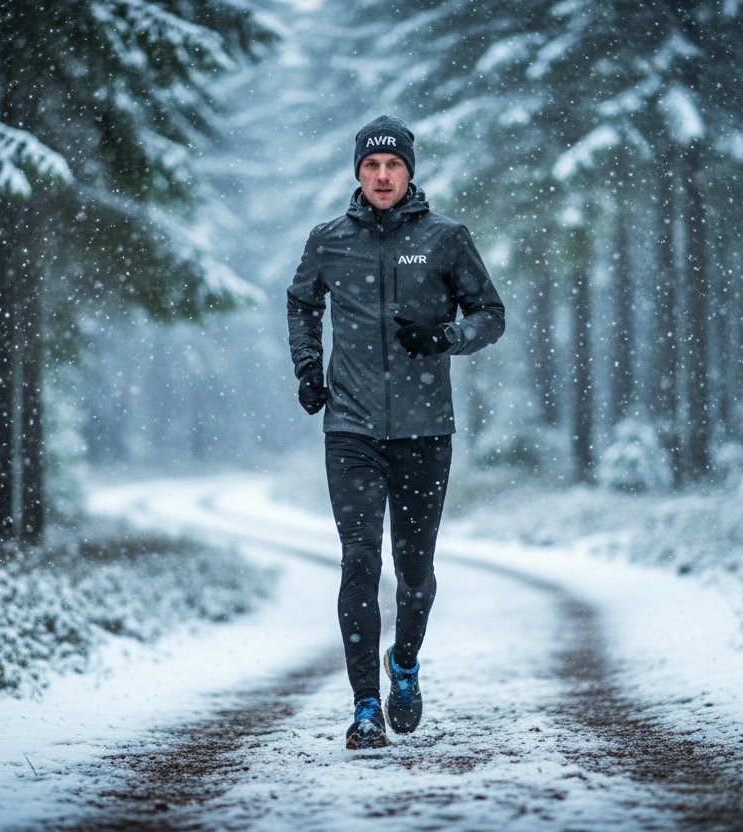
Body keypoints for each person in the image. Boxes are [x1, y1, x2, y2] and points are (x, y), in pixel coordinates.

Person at [286, 115, 506, 750]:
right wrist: (307, 367)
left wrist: (446, 337)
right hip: (350, 429)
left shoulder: (445, 238)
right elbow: (301, 302)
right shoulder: (328, 240)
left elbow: (490, 314)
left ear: (410, 172)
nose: (382, 176)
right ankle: (363, 708)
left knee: (414, 571)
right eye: (371, 165)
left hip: (424, 431)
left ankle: (403, 662)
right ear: (357, 172)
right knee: (359, 562)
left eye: (394, 166)